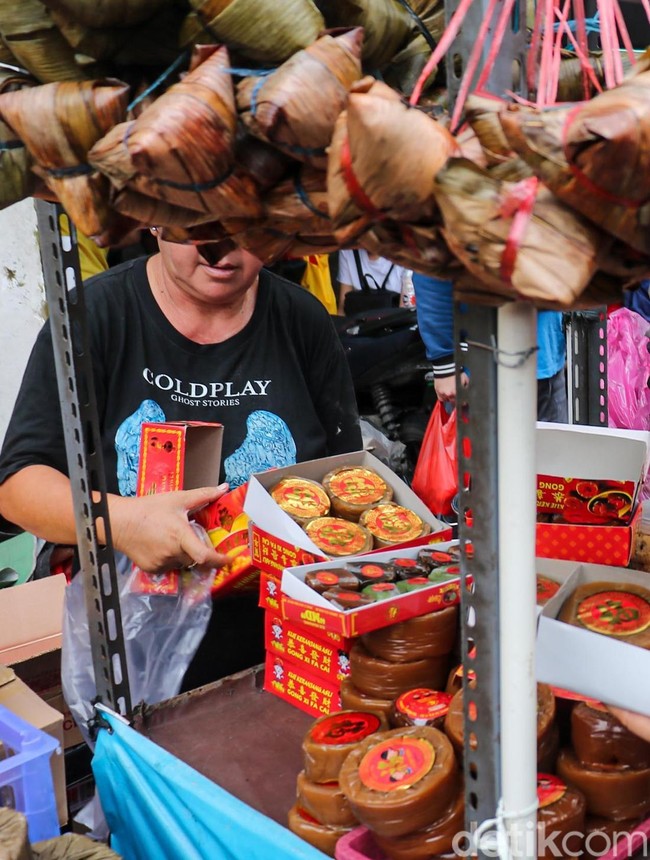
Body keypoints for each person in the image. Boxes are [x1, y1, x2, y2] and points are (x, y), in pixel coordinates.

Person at [0, 232, 362, 690]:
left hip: (284, 650)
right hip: (137, 644)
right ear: (155, 220)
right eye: (197, 225)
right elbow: (17, 484)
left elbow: (342, 475)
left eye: (242, 224)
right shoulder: (96, 314)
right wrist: (123, 522)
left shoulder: (301, 319)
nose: (221, 248)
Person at [412, 273, 568, 420]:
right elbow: (429, 275)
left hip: (546, 361)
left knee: (554, 447)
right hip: (482, 369)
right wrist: (446, 365)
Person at [337, 248, 407, 316]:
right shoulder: (348, 250)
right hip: (359, 323)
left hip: (394, 323)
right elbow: (343, 307)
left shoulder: (406, 254)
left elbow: (405, 312)